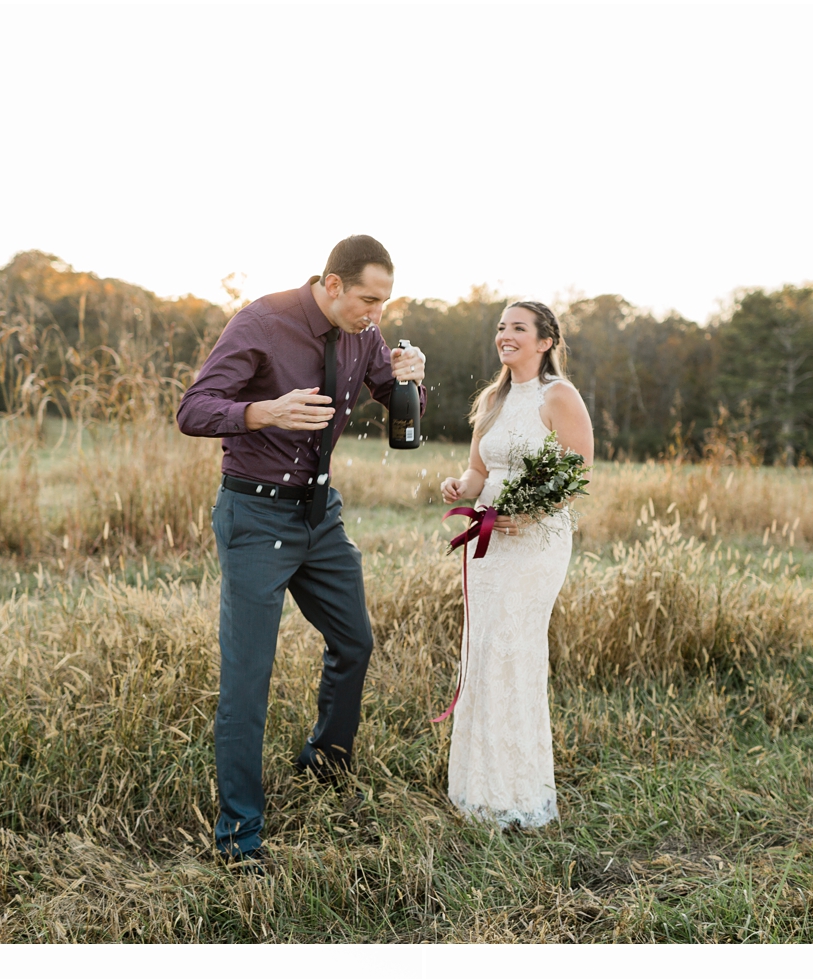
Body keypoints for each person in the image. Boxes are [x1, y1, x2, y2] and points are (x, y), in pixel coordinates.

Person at [175, 236, 426, 865]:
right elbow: (194, 409)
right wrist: (266, 411)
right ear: (333, 284)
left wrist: (410, 382)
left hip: (320, 516)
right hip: (255, 516)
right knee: (247, 679)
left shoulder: (364, 334)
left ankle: (326, 764)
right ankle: (240, 836)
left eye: (385, 302)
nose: (377, 313)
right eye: (369, 298)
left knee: (355, 641)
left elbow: (396, 414)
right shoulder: (262, 321)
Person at [437, 301, 594, 828]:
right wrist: (462, 487)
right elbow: (480, 469)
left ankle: (519, 796)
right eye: (502, 328)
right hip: (489, 544)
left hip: (533, 546)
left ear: (545, 341)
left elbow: (577, 471)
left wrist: (528, 515)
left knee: (513, 651)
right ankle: (477, 790)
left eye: (518, 329)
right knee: (482, 652)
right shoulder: (492, 398)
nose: (505, 336)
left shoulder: (559, 396)